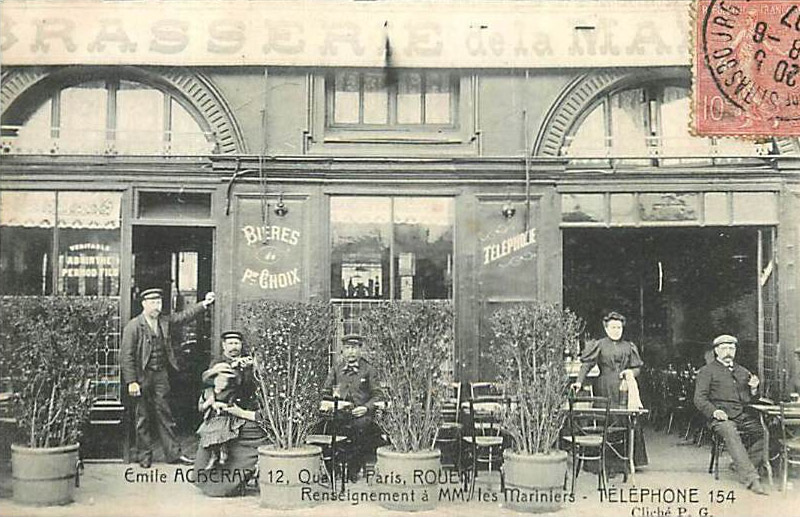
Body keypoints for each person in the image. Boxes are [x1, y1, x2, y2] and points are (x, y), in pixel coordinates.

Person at [121, 287, 215, 468]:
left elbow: (183, 317)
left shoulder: (164, 320)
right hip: (142, 376)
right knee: (142, 417)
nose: (157, 306)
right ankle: (144, 456)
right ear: (144, 304)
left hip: (160, 375)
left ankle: (173, 454)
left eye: (159, 302)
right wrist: (132, 381)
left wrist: (204, 304)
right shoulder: (133, 326)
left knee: (165, 414)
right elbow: (126, 356)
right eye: (153, 303)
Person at [694, 334, 768, 495]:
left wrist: (754, 389)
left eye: (732, 348)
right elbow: (699, 399)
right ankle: (751, 479)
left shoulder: (742, 371)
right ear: (716, 351)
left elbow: (749, 399)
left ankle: (742, 463)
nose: (728, 352)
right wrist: (714, 411)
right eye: (724, 348)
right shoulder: (707, 371)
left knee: (768, 433)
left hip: (741, 416)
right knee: (730, 432)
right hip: (719, 418)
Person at [573, 311, 648, 468]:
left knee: (626, 420)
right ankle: (605, 462)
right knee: (607, 420)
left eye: (619, 327)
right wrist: (579, 382)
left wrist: (630, 373)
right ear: (606, 329)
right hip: (604, 386)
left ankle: (626, 461)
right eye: (613, 327)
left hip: (624, 388)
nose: (616, 330)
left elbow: (637, 368)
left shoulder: (629, 346)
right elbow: (587, 365)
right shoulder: (600, 345)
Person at [193, 331, 265, 497]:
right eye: (230, 343)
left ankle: (239, 476)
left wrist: (254, 367)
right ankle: (216, 470)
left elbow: (255, 386)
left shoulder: (248, 362)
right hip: (221, 409)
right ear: (224, 345)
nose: (234, 347)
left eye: (237, 343)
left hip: (242, 410)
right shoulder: (217, 363)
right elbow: (209, 386)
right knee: (216, 432)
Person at [322, 334, 382, 482]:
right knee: (323, 427)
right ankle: (333, 469)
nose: (351, 352)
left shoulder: (368, 370)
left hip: (361, 415)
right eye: (347, 348)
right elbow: (325, 392)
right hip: (340, 414)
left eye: (354, 348)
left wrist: (366, 408)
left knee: (359, 428)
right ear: (342, 350)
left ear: (360, 350)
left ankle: (353, 470)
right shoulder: (337, 369)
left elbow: (378, 396)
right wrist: (334, 404)